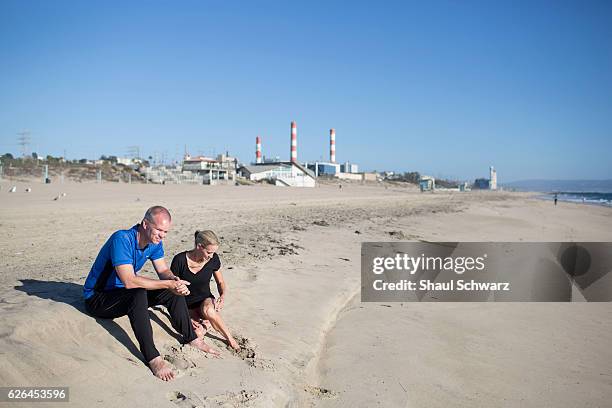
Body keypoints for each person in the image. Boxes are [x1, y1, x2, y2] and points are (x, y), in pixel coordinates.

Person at [83, 206, 219, 382]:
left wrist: (175, 281)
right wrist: (167, 283)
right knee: (138, 292)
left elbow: (163, 271)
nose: (162, 235)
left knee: (170, 291)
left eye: (166, 232)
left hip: (123, 294)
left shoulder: (154, 243)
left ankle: (192, 338)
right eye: (159, 230)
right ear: (145, 224)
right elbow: (129, 281)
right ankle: (153, 357)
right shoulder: (122, 239)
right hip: (97, 299)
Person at [171, 230, 240, 351]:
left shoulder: (213, 259)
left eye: (214, 252)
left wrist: (222, 296)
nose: (211, 256)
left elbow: (220, 282)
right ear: (199, 246)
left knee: (208, 310)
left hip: (205, 300)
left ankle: (230, 339)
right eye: (209, 252)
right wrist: (186, 316)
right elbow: (172, 290)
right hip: (186, 305)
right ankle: (206, 325)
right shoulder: (179, 260)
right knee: (197, 333)